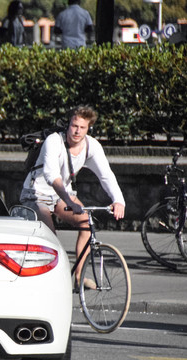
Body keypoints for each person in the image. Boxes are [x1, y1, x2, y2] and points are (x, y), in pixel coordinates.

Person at [19, 106, 125, 289]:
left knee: (86, 224)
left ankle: (79, 278)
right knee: (49, 238)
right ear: (68, 124)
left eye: (82, 128)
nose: (77, 131)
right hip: (35, 194)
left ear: (89, 128)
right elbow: (52, 176)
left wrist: (118, 200)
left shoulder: (92, 146)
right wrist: (69, 201)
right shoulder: (53, 141)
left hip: (62, 195)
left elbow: (106, 175)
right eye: (74, 125)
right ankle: (51, 283)